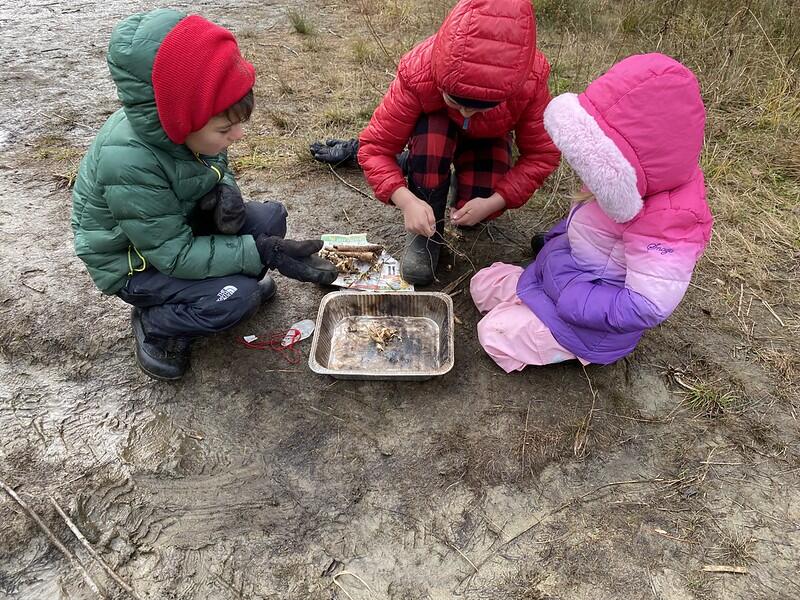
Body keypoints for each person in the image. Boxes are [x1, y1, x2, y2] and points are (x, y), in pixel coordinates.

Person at [71, 9, 336, 381]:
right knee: (239, 297)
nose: (238, 136)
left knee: (268, 217)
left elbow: (215, 164)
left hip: (175, 229)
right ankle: (158, 323)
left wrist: (224, 189)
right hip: (136, 263)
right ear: (182, 118)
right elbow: (174, 255)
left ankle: (213, 288)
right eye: (227, 128)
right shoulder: (130, 162)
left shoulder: (191, 128)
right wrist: (262, 252)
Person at [469, 53, 714, 371]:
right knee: (483, 283)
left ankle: (564, 345)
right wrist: (556, 245)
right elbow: (587, 224)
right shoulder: (619, 179)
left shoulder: (668, 222)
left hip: (590, 324)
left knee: (493, 333)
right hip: (567, 277)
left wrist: (573, 301)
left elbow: (647, 304)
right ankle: (530, 306)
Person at [310, 0, 560, 285]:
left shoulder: (530, 80)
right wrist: (406, 201)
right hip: (435, 137)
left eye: (479, 108)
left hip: (487, 141)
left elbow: (542, 155)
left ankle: (437, 175)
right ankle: (426, 232)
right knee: (432, 139)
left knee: (477, 211)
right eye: (455, 101)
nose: (465, 114)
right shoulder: (420, 69)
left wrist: (493, 202)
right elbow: (376, 148)